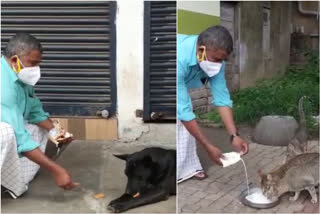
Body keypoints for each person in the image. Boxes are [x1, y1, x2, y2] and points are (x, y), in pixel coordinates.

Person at [0, 33, 79, 198]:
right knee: (7, 133)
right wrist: (56, 170)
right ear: (14, 60)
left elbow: (35, 111)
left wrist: (56, 132)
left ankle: (13, 180)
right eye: (33, 63)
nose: (36, 70)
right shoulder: (3, 85)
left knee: (40, 127)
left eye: (38, 64)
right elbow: (19, 136)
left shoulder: (19, 77)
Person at [177, 25, 249, 183]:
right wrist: (208, 146)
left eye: (222, 60)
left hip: (182, 84)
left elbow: (222, 99)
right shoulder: (179, 58)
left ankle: (188, 168)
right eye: (216, 59)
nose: (219, 64)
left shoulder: (215, 61)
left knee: (186, 123)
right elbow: (183, 112)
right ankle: (175, 170)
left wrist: (234, 135)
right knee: (180, 118)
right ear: (201, 50)